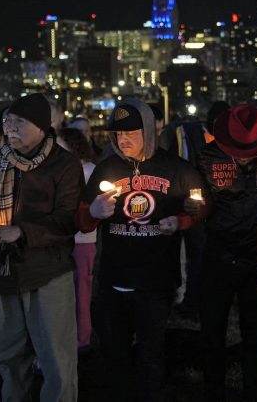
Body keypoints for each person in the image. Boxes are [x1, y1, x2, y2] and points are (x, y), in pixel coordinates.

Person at [0, 92, 84, 402]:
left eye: (19, 122)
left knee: (56, 360)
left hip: (48, 272)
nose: (10, 129)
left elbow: (66, 221)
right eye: (7, 121)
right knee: (7, 357)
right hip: (0, 272)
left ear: (41, 127)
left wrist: (20, 231)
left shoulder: (63, 165)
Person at [76, 99, 208, 401]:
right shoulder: (106, 168)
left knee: (151, 357)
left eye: (130, 133)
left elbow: (202, 207)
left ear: (148, 130)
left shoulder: (176, 168)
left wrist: (183, 219)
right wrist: (93, 212)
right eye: (117, 134)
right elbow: (81, 221)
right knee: (115, 357)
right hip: (112, 280)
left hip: (155, 282)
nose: (123, 140)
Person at [197, 104, 257, 401]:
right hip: (218, 254)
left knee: (255, 334)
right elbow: (197, 197)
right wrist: (194, 207)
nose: (243, 156)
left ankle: (254, 391)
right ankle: (213, 391)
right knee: (212, 332)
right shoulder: (207, 157)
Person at [58, 127, 98, 351]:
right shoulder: (67, 170)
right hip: (65, 238)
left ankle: (82, 338)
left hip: (83, 240)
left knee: (82, 290)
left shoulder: (89, 171)